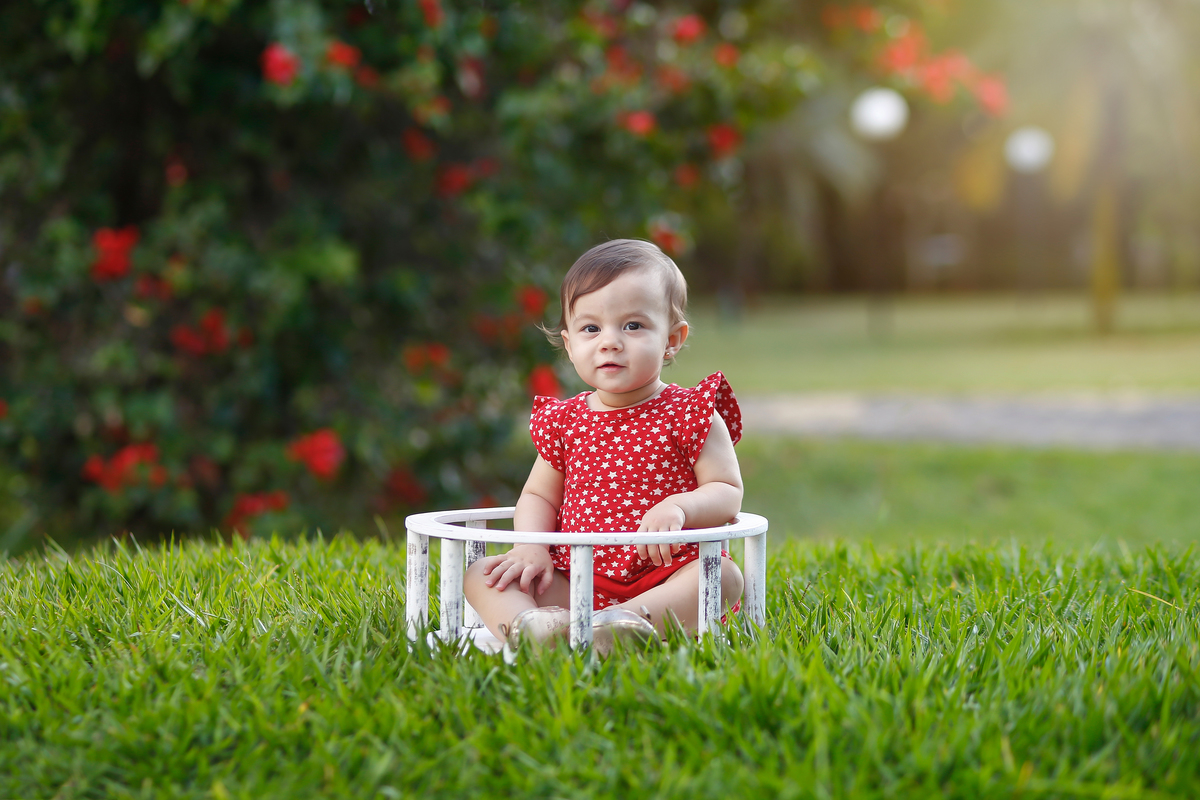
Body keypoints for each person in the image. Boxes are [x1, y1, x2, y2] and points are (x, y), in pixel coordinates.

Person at [463, 239, 745, 653]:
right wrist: (531, 546)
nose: (609, 341)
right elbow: (539, 493)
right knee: (480, 573)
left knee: (723, 577)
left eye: (633, 326)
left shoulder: (690, 412)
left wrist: (681, 507)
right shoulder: (566, 420)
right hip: (576, 576)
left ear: (672, 339)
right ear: (570, 342)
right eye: (591, 328)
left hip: (664, 575)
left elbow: (728, 492)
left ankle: (627, 626)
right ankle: (532, 629)